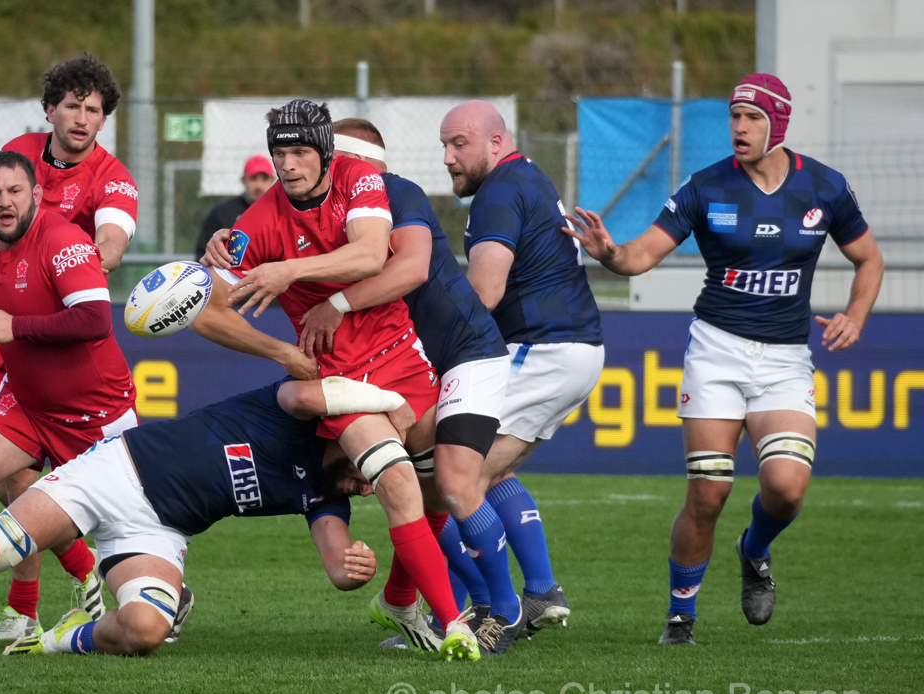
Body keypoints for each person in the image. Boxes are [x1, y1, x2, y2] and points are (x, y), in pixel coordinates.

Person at [562, 74, 884, 645]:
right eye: (735, 116)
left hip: (785, 359)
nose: (739, 127)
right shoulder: (705, 187)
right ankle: (680, 617)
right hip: (716, 351)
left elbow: (870, 260)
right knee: (709, 491)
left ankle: (753, 550)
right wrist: (609, 252)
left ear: (778, 123)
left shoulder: (826, 188)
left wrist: (856, 315)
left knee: (786, 489)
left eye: (753, 118)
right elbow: (640, 256)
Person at [0, 378, 420, 659]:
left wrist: (354, 569)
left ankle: (61, 637)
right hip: (113, 473)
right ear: (352, 431)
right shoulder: (294, 412)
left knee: (146, 631)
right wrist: (399, 403)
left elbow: (338, 568)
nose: (370, 484)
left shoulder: (326, 494)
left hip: (158, 533)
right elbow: (306, 393)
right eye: (373, 464)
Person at [191, 99, 480, 660]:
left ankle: (400, 601)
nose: (288, 165)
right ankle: (455, 625)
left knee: (438, 485)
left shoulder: (358, 178)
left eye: (299, 152)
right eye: (280, 153)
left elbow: (372, 254)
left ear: (325, 152)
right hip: (341, 375)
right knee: (397, 483)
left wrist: (289, 270)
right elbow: (206, 307)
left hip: (402, 355)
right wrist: (271, 340)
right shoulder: (260, 222)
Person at [288, 118, 522, 655]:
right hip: (418, 361)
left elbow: (413, 268)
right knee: (428, 490)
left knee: (456, 484)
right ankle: (401, 600)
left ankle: (504, 615)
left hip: (468, 353)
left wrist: (336, 302)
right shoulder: (327, 210)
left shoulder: (395, 191)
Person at [0, 54, 139, 641]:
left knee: (40, 492)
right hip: (9, 349)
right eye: (72, 105)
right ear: (50, 109)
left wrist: (61, 255)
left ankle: (40, 602)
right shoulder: (19, 153)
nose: (82, 118)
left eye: (94, 109)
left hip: (67, 348)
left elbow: (109, 246)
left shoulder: (113, 178)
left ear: (104, 119)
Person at [440, 100, 605, 637]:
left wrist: (424, 338)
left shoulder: (499, 191)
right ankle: (540, 590)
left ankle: (482, 611)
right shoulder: (526, 175)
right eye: (444, 145)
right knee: (489, 472)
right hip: (567, 348)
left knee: (446, 480)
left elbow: (485, 292)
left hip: (542, 348)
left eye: (459, 143)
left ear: (495, 141)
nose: (448, 157)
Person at [195, 155, 276, 255]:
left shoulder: (281, 212)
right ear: (243, 180)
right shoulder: (223, 213)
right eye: (253, 179)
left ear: (273, 180)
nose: (258, 185)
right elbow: (203, 251)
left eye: (264, 179)